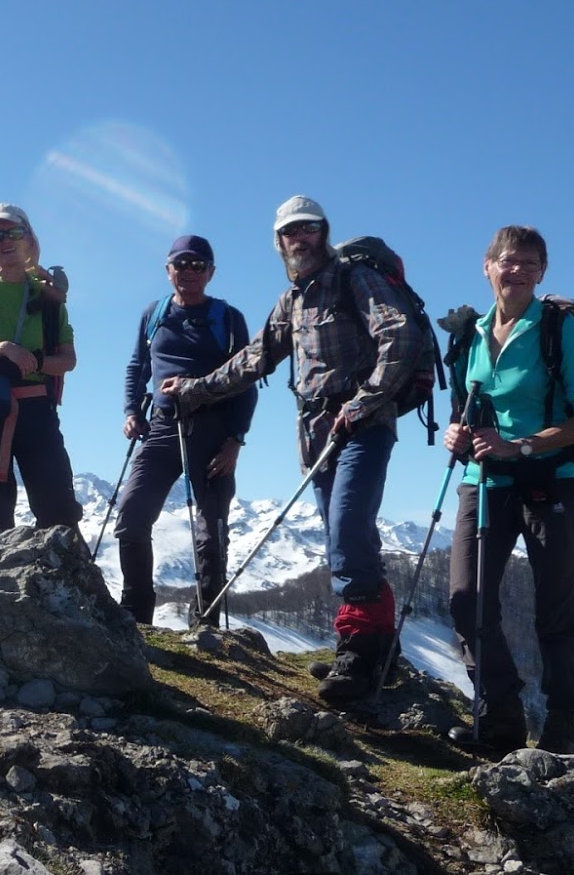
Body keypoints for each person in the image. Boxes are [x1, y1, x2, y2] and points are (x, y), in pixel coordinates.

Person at [161, 195, 423, 704]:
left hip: (363, 427)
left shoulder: (354, 279)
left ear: (323, 233)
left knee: (347, 528)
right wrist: (193, 390)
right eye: (289, 233)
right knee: (347, 536)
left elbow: (401, 335)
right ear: (279, 243)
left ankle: (362, 660)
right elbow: (254, 360)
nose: (299, 239)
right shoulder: (294, 300)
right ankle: (369, 646)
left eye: (308, 229)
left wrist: (365, 401)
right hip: (317, 435)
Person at [443, 225, 574, 755]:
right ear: (487, 266)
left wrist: (522, 446)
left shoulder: (560, 329)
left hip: (553, 478)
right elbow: (468, 406)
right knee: (467, 600)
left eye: (531, 264)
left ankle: (560, 728)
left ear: (542, 274)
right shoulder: (472, 333)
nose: (519, 271)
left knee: (554, 608)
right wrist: (457, 434)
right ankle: (501, 714)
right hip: (484, 480)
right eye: (509, 261)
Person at [114, 235, 256, 626]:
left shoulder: (228, 319)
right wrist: (131, 411)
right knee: (131, 516)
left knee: (212, 534)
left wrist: (234, 441)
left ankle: (205, 619)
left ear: (210, 273)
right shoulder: (154, 314)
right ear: (168, 270)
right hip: (161, 428)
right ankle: (136, 612)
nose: (188, 272)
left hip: (214, 431)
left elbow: (247, 381)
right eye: (181, 265)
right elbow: (136, 366)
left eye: (197, 266)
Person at [0, 203, 82, 531]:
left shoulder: (49, 299)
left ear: (29, 239)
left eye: (14, 232)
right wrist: (3, 349)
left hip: (37, 408)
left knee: (58, 511)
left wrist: (35, 361)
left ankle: (69, 579)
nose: (5, 240)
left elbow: (68, 360)